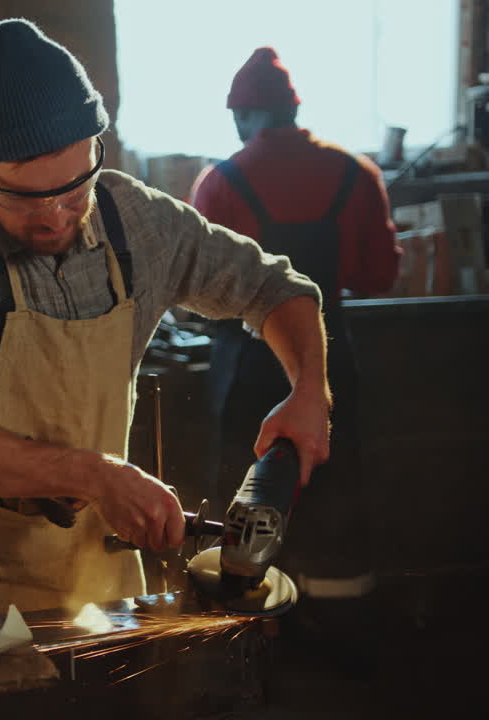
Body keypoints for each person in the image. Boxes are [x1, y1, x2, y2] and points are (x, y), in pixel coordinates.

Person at [0, 19, 331, 619]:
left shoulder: (134, 220)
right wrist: (96, 475)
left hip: (104, 587)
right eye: (22, 199)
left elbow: (275, 286)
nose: (54, 219)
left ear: (97, 146)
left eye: (72, 190)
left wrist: (309, 388)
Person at [190, 47, 399, 613]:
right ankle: (339, 629)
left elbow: (198, 294)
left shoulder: (220, 181)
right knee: (334, 493)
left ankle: (251, 638)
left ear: (240, 115)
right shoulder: (356, 173)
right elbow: (380, 275)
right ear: (292, 109)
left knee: (245, 500)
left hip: (244, 367)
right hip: (325, 366)